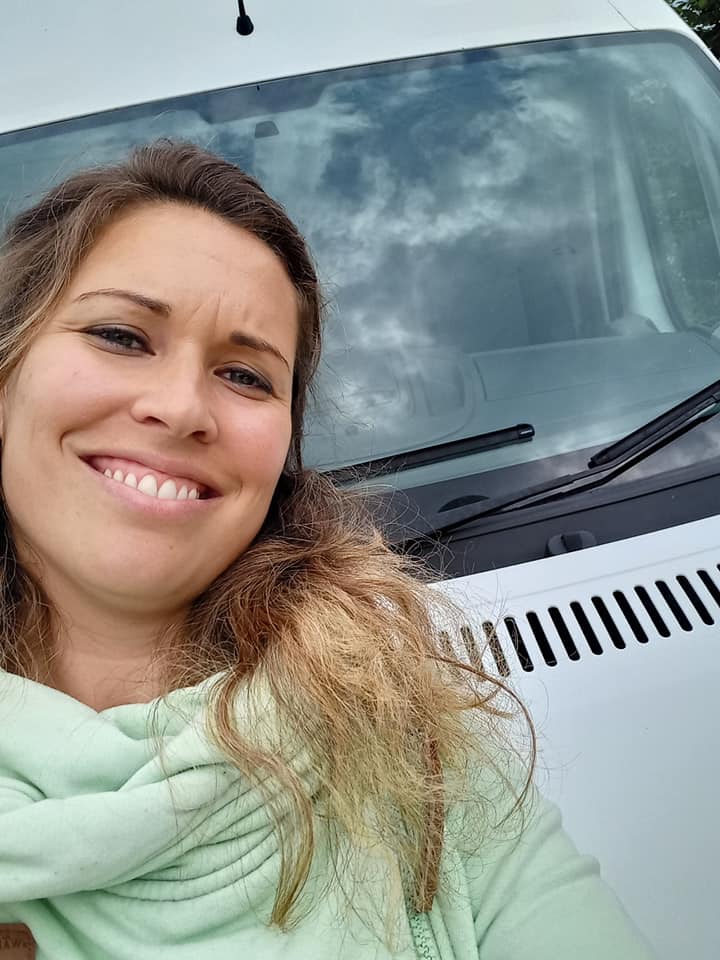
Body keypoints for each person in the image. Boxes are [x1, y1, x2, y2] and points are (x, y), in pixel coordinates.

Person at [0, 141, 655, 960]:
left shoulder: (406, 746)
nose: (181, 408)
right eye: (121, 335)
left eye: (246, 376)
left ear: (282, 455)